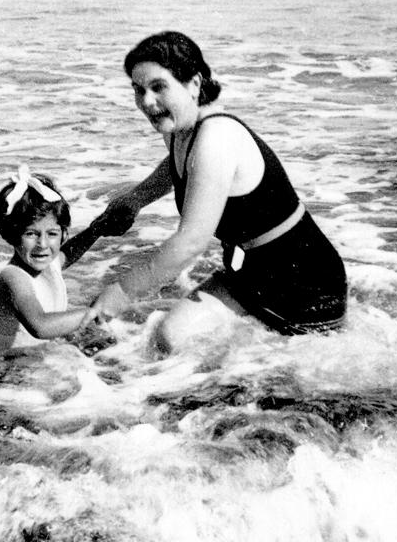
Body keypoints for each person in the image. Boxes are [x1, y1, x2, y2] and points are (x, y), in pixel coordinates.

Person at [88, 31, 348, 351]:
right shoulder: (180, 129)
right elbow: (178, 165)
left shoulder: (216, 136)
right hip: (251, 272)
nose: (147, 102)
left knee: (272, 383)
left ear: (194, 84)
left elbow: (190, 243)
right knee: (170, 340)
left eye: (158, 87)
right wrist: (137, 198)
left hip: (306, 284)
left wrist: (121, 293)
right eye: (138, 90)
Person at [0, 165, 102, 353]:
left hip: (33, 362)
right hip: (2, 372)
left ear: (64, 234)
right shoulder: (13, 277)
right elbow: (40, 326)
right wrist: (91, 313)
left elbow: (68, 253)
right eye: (31, 233)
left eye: (52, 233)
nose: (43, 244)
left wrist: (97, 230)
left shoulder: (49, 263)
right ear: (11, 235)